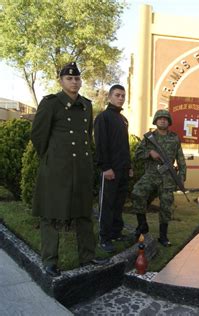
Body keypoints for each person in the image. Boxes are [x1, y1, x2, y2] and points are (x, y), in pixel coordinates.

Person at [31, 62, 108, 277]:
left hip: (81, 169)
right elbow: (38, 136)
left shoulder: (86, 105)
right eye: (69, 78)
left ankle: (87, 256)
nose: (74, 82)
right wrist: (53, 158)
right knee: (51, 215)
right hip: (57, 170)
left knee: (84, 214)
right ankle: (49, 261)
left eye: (77, 78)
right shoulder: (51, 103)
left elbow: (86, 136)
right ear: (61, 81)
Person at [131, 109, 186, 247]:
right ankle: (142, 226)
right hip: (151, 174)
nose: (162, 120)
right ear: (155, 121)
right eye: (160, 118)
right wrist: (149, 152)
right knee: (137, 193)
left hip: (167, 176)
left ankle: (163, 236)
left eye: (165, 118)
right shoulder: (149, 137)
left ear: (169, 122)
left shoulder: (174, 138)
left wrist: (181, 175)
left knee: (166, 204)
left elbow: (180, 159)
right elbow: (137, 154)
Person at [93, 84, 132, 253]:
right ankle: (104, 237)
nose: (121, 98)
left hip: (123, 170)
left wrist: (129, 167)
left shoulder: (122, 119)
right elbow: (101, 144)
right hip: (110, 170)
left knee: (118, 204)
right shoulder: (103, 117)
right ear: (109, 97)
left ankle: (116, 233)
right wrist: (105, 167)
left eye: (123, 95)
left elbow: (124, 146)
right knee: (107, 205)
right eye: (117, 95)